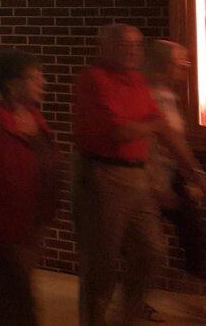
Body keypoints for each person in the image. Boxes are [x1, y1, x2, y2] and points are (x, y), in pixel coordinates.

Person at [73, 24, 206, 326]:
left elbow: (166, 131)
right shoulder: (94, 80)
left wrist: (196, 173)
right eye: (124, 44)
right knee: (101, 263)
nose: (133, 50)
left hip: (137, 176)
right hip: (103, 176)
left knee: (152, 251)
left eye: (137, 45)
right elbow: (120, 132)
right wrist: (154, 128)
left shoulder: (136, 81)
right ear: (105, 47)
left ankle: (128, 315)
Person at [0, 50, 61, 325]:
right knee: (19, 309)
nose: (42, 83)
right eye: (34, 77)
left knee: (5, 309)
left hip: (30, 229)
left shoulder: (37, 120)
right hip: (5, 233)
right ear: (11, 84)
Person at [143, 39, 204, 280]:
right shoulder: (152, 97)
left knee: (191, 234)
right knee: (148, 245)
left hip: (168, 176)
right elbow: (155, 148)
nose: (187, 67)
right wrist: (161, 186)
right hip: (153, 179)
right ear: (164, 65)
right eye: (181, 62)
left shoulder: (168, 95)